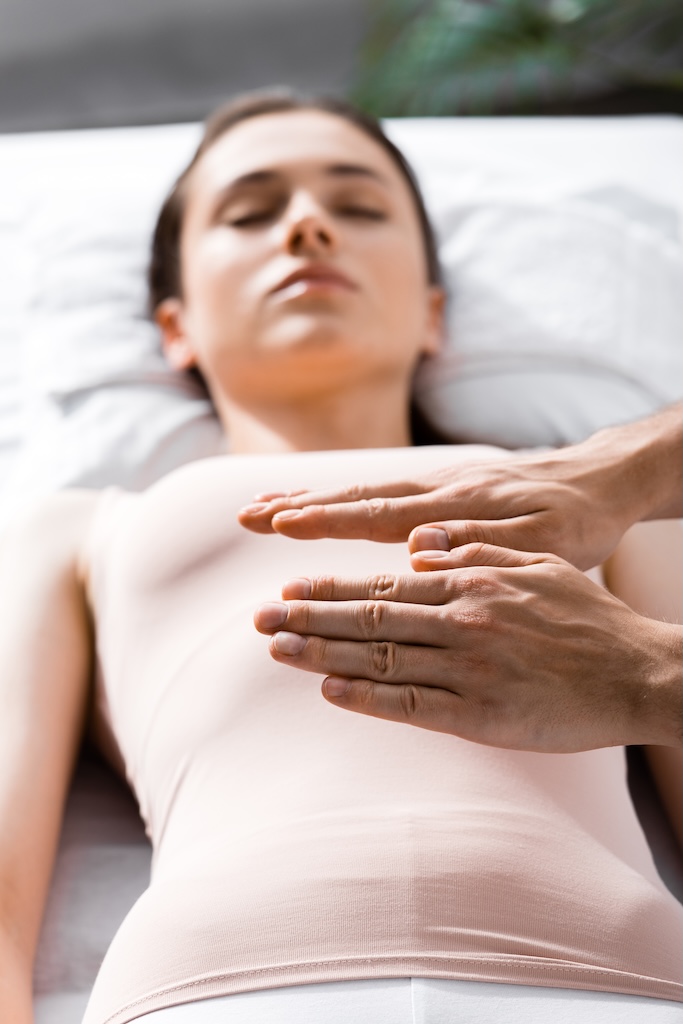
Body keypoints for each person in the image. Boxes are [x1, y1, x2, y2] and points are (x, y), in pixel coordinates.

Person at [0, 90, 680, 1024]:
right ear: (175, 329)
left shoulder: (606, 505)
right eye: (251, 212)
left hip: (611, 985)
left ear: (433, 314)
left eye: (358, 208)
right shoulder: (76, 526)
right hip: (221, 991)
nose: (309, 226)